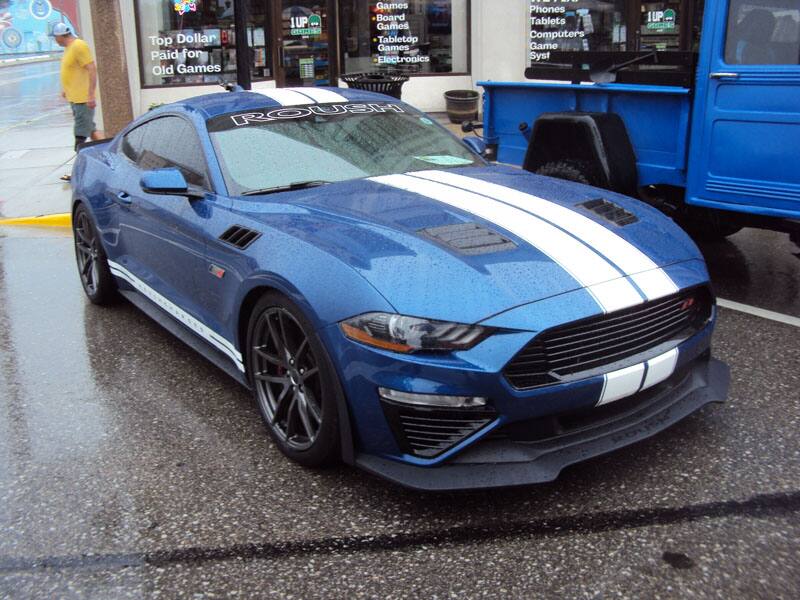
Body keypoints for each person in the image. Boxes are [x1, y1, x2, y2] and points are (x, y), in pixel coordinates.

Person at [52, 23, 102, 181]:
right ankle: (112, 159)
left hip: (83, 100)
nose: (55, 40)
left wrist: (90, 95)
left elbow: (92, 69)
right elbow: (73, 71)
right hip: (75, 99)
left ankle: (77, 172)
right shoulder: (69, 49)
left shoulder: (79, 46)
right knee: (92, 131)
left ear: (61, 35)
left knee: (80, 137)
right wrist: (66, 89)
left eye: (55, 37)